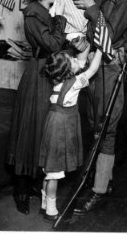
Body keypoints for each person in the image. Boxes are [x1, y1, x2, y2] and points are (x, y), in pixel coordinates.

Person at [70, 0, 127, 214]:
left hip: (110, 67)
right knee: (93, 122)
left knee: (106, 128)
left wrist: (90, 6)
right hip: (95, 68)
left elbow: (108, 37)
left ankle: (98, 190)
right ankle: (98, 179)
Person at [6, 0, 67, 215]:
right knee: (29, 131)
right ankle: (20, 189)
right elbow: (53, 43)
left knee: (41, 130)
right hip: (38, 76)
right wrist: (60, 17)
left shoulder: (42, 9)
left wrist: (56, 16)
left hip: (46, 73)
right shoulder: (33, 12)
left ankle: (31, 182)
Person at [38, 43, 103, 221]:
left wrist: (88, 46)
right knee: (54, 174)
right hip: (61, 127)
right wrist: (100, 49)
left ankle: (44, 203)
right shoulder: (74, 84)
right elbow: (93, 68)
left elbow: (81, 62)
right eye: (72, 59)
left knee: (49, 169)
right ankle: (51, 209)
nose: (76, 59)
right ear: (69, 70)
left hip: (52, 122)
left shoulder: (58, 78)